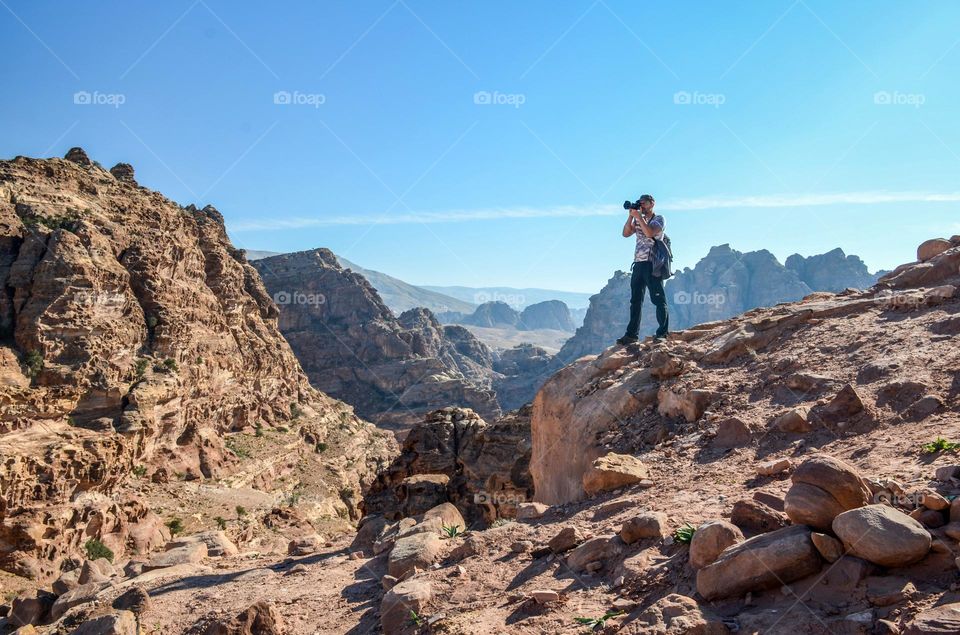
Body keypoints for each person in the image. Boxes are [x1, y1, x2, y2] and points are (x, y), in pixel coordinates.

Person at [616, 194, 669, 344]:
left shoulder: (659, 219)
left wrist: (639, 217)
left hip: (653, 264)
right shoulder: (638, 219)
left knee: (658, 299)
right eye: (640, 203)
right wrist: (630, 217)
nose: (642, 206)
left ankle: (662, 334)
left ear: (652, 203)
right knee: (635, 301)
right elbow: (625, 234)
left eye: (644, 203)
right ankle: (631, 335)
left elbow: (650, 233)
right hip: (638, 264)